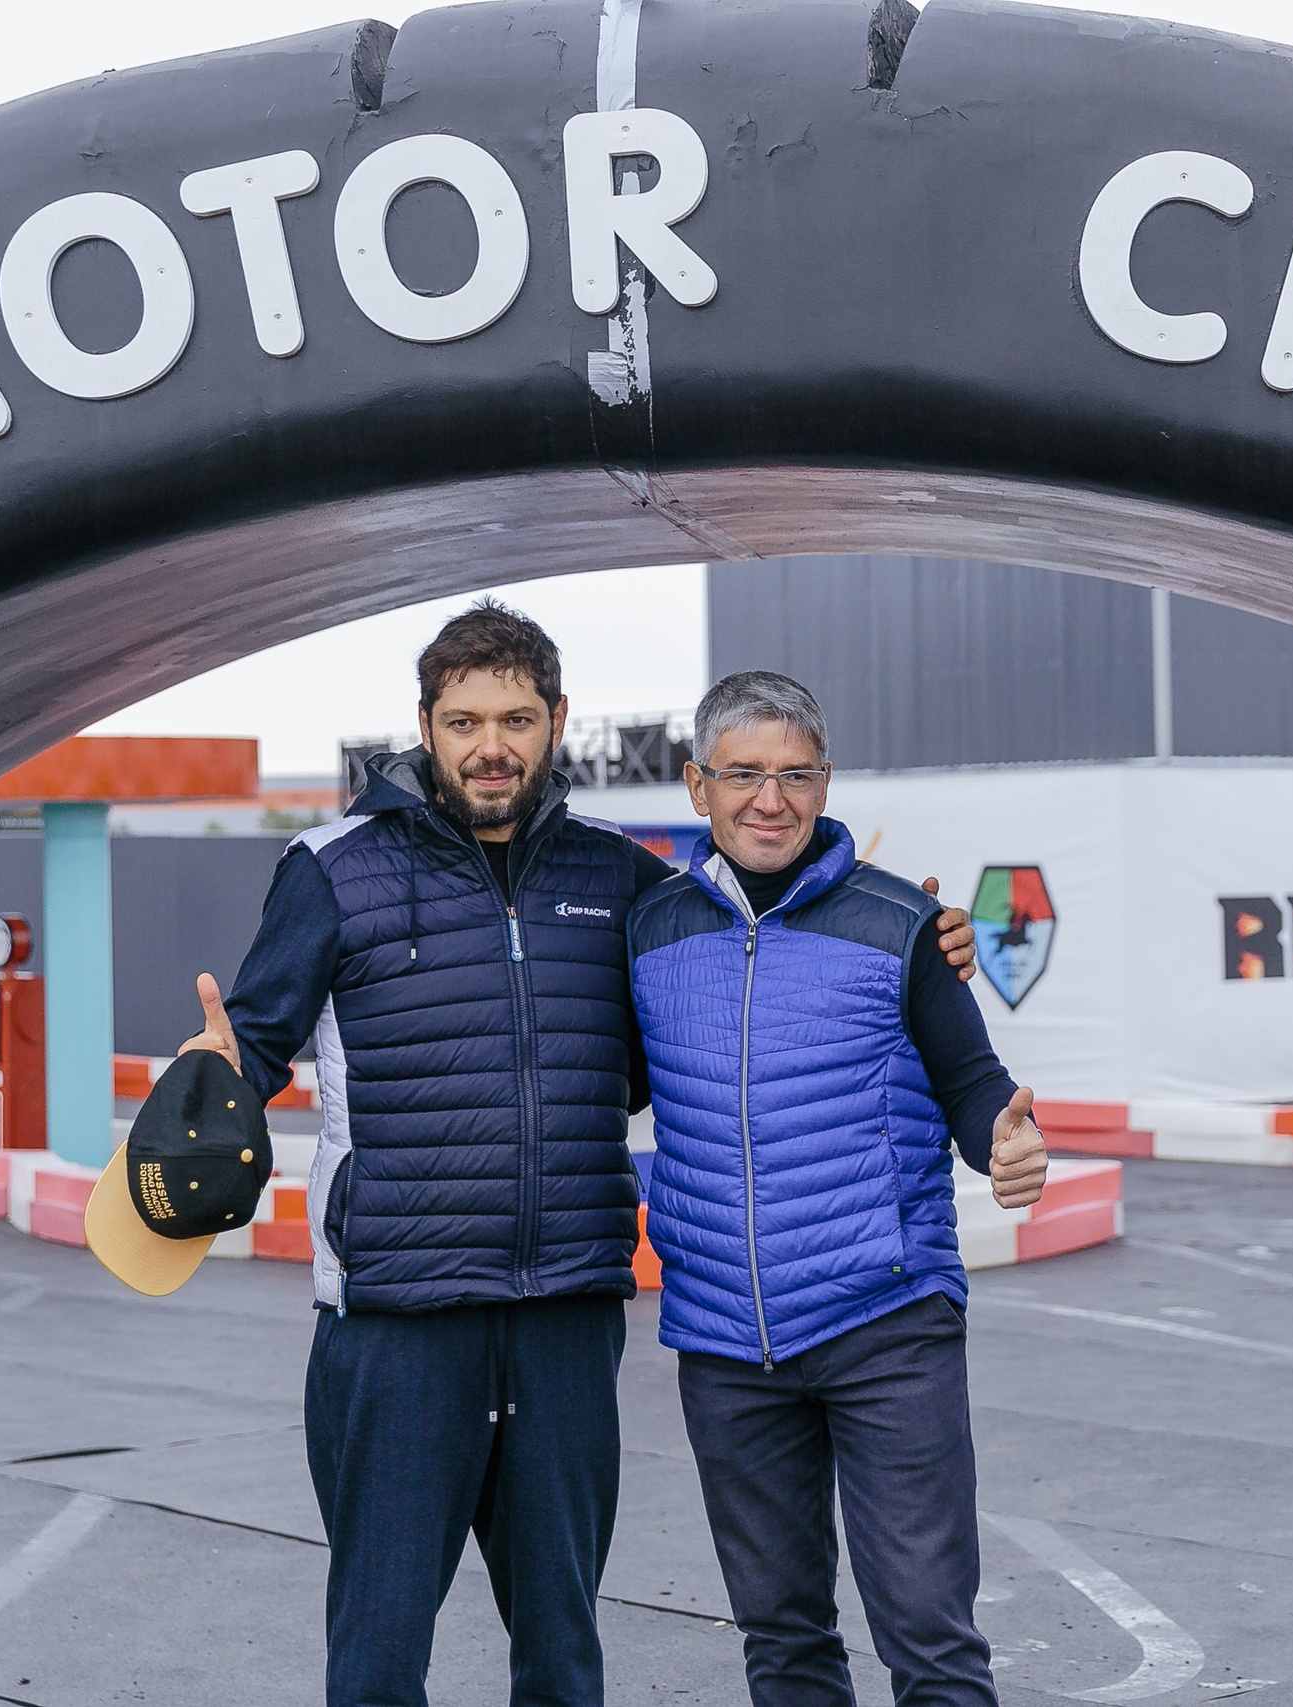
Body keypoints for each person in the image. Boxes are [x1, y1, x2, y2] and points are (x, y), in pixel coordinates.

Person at [174, 604, 979, 1707]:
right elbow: (253, 1047)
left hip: (566, 1314)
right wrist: (212, 1077)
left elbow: (739, 973)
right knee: (377, 1653)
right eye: (463, 720)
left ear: (557, 723)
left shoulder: (620, 881)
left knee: (561, 1653)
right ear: (423, 725)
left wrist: (928, 945)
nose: (489, 744)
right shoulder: (332, 870)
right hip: (398, 1318)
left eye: (514, 717)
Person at [627, 669, 1050, 1707]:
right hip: (726, 1345)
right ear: (696, 787)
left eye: (795, 775)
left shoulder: (899, 923)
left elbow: (973, 1086)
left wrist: (1006, 1142)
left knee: (928, 1639)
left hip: (886, 1324)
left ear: (825, 783)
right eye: (743, 775)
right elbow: (599, 1078)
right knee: (781, 1639)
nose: (769, 800)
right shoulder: (648, 932)